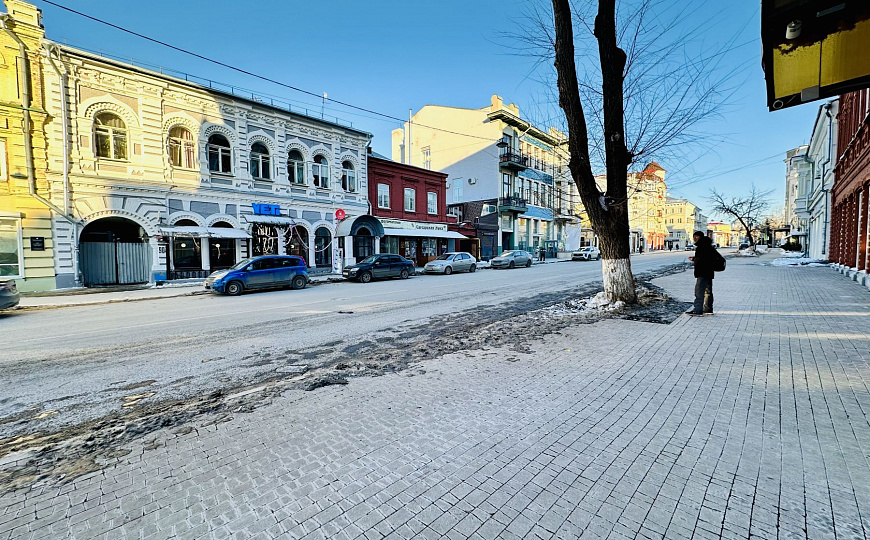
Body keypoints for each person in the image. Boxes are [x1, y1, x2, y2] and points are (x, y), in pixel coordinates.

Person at [687, 231, 718, 316]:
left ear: (700, 237)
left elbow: (702, 260)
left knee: (699, 291)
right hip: (709, 272)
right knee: (708, 292)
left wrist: (695, 260)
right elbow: (706, 258)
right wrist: (694, 259)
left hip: (702, 272)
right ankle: (708, 308)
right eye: (694, 237)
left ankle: (697, 309)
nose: (695, 239)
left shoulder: (701, 247)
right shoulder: (708, 246)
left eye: (696, 237)